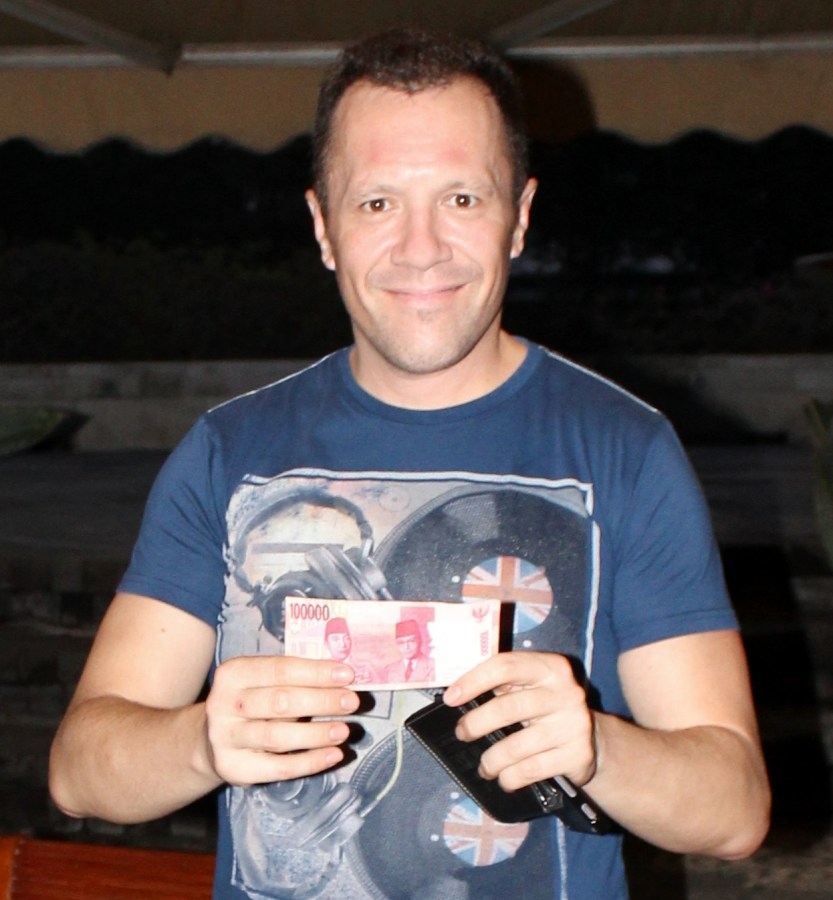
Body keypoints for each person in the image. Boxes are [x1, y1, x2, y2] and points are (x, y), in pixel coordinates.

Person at [49, 27, 770, 900]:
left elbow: (733, 810)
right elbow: (80, 771)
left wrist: (598, 749)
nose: (420, 247)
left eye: (461, 198)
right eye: (377, 202)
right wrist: (200, 741)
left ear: (519, 216)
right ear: (323, 225)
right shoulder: (228, 452)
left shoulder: (624, 449)